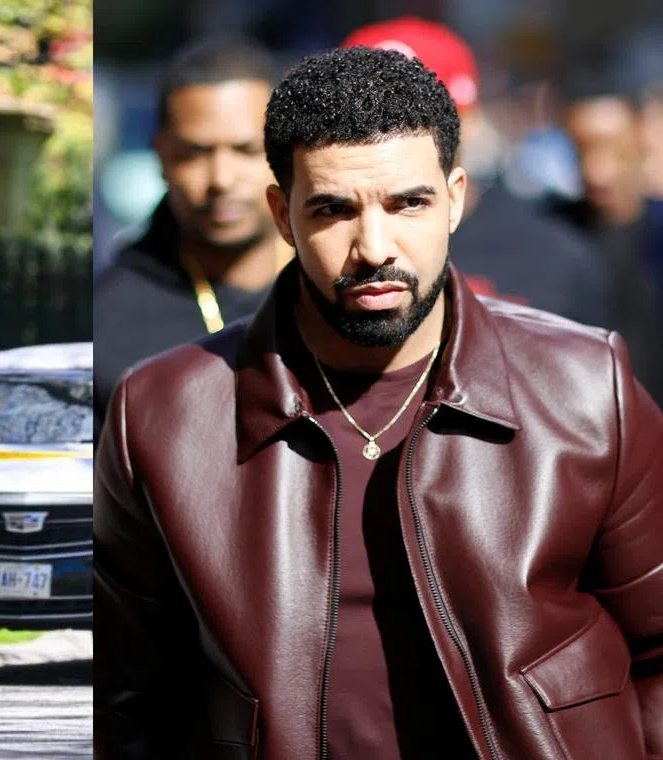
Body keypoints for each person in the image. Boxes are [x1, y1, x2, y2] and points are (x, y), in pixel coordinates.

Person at [95, 47, 663, 759]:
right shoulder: (161, 414)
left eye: (408, 203)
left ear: (455, 199)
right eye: (333, 210)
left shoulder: (585, 388)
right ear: (282, 214)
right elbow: (124, 693)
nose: (374, 247)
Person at [342, 17, 619, 329]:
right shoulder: (320, 251)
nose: (387, 140)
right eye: (361, 123)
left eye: (418, 121)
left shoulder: (555, 255)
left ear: (469, 119)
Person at [93, 37, 291, 440]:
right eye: (194, 154)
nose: (222, 179)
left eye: (248, 151)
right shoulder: (107, 324)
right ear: (161, 157)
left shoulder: (338, 283)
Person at [550, 58, 663, 402]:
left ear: (641, 136)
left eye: (614, 149)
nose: (596, 170)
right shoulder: (550, 234)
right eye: (581, 150)